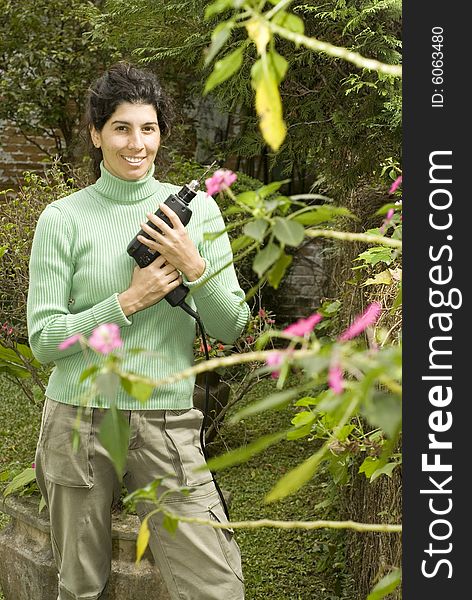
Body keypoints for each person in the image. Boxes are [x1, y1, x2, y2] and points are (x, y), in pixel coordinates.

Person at [27, 62, 249, 600]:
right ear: (96, 134)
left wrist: (193, 268)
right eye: (122, 128)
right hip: (77, 418)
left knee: (216, 586)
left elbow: (230, 328)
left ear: (161, 135)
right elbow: (44, 341)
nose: (136, 144)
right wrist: (127, 301)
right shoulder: (64, 218)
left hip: (166, 418)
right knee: (79, 585)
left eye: (147, 129)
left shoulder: (196, 213)